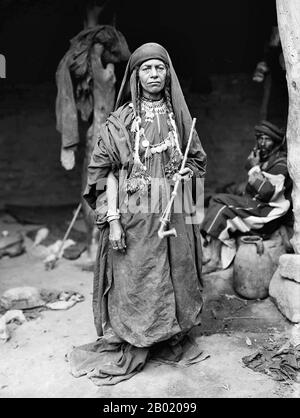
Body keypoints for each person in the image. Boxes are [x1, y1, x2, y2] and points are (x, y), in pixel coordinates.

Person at [67, 42, 207, 385]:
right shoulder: (123, 120)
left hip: (173, 211)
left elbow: (196, 161)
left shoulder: (179, 119)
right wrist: (113, 221)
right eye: (147, 69)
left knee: (178, 272)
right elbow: (107, 174)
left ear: (168, 73)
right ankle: (139, 341)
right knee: (139, 276)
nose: (154, 75)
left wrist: (187, 173)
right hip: (135, 214)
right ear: (135, 75)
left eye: (160, 68)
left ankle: (168, 335)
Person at [201, 120, 292, 274]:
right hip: (259, 207)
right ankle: (213, 256)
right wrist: (254, 165)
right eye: (260, 138)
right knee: (219, 202)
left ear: (276, 142)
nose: (262, 143)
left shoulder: (281, 164)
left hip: (269, 214)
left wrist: (253, 168)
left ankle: (215, 259)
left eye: (267, 139)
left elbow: (266, 191)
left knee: (219, 201)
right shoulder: (266, 160)